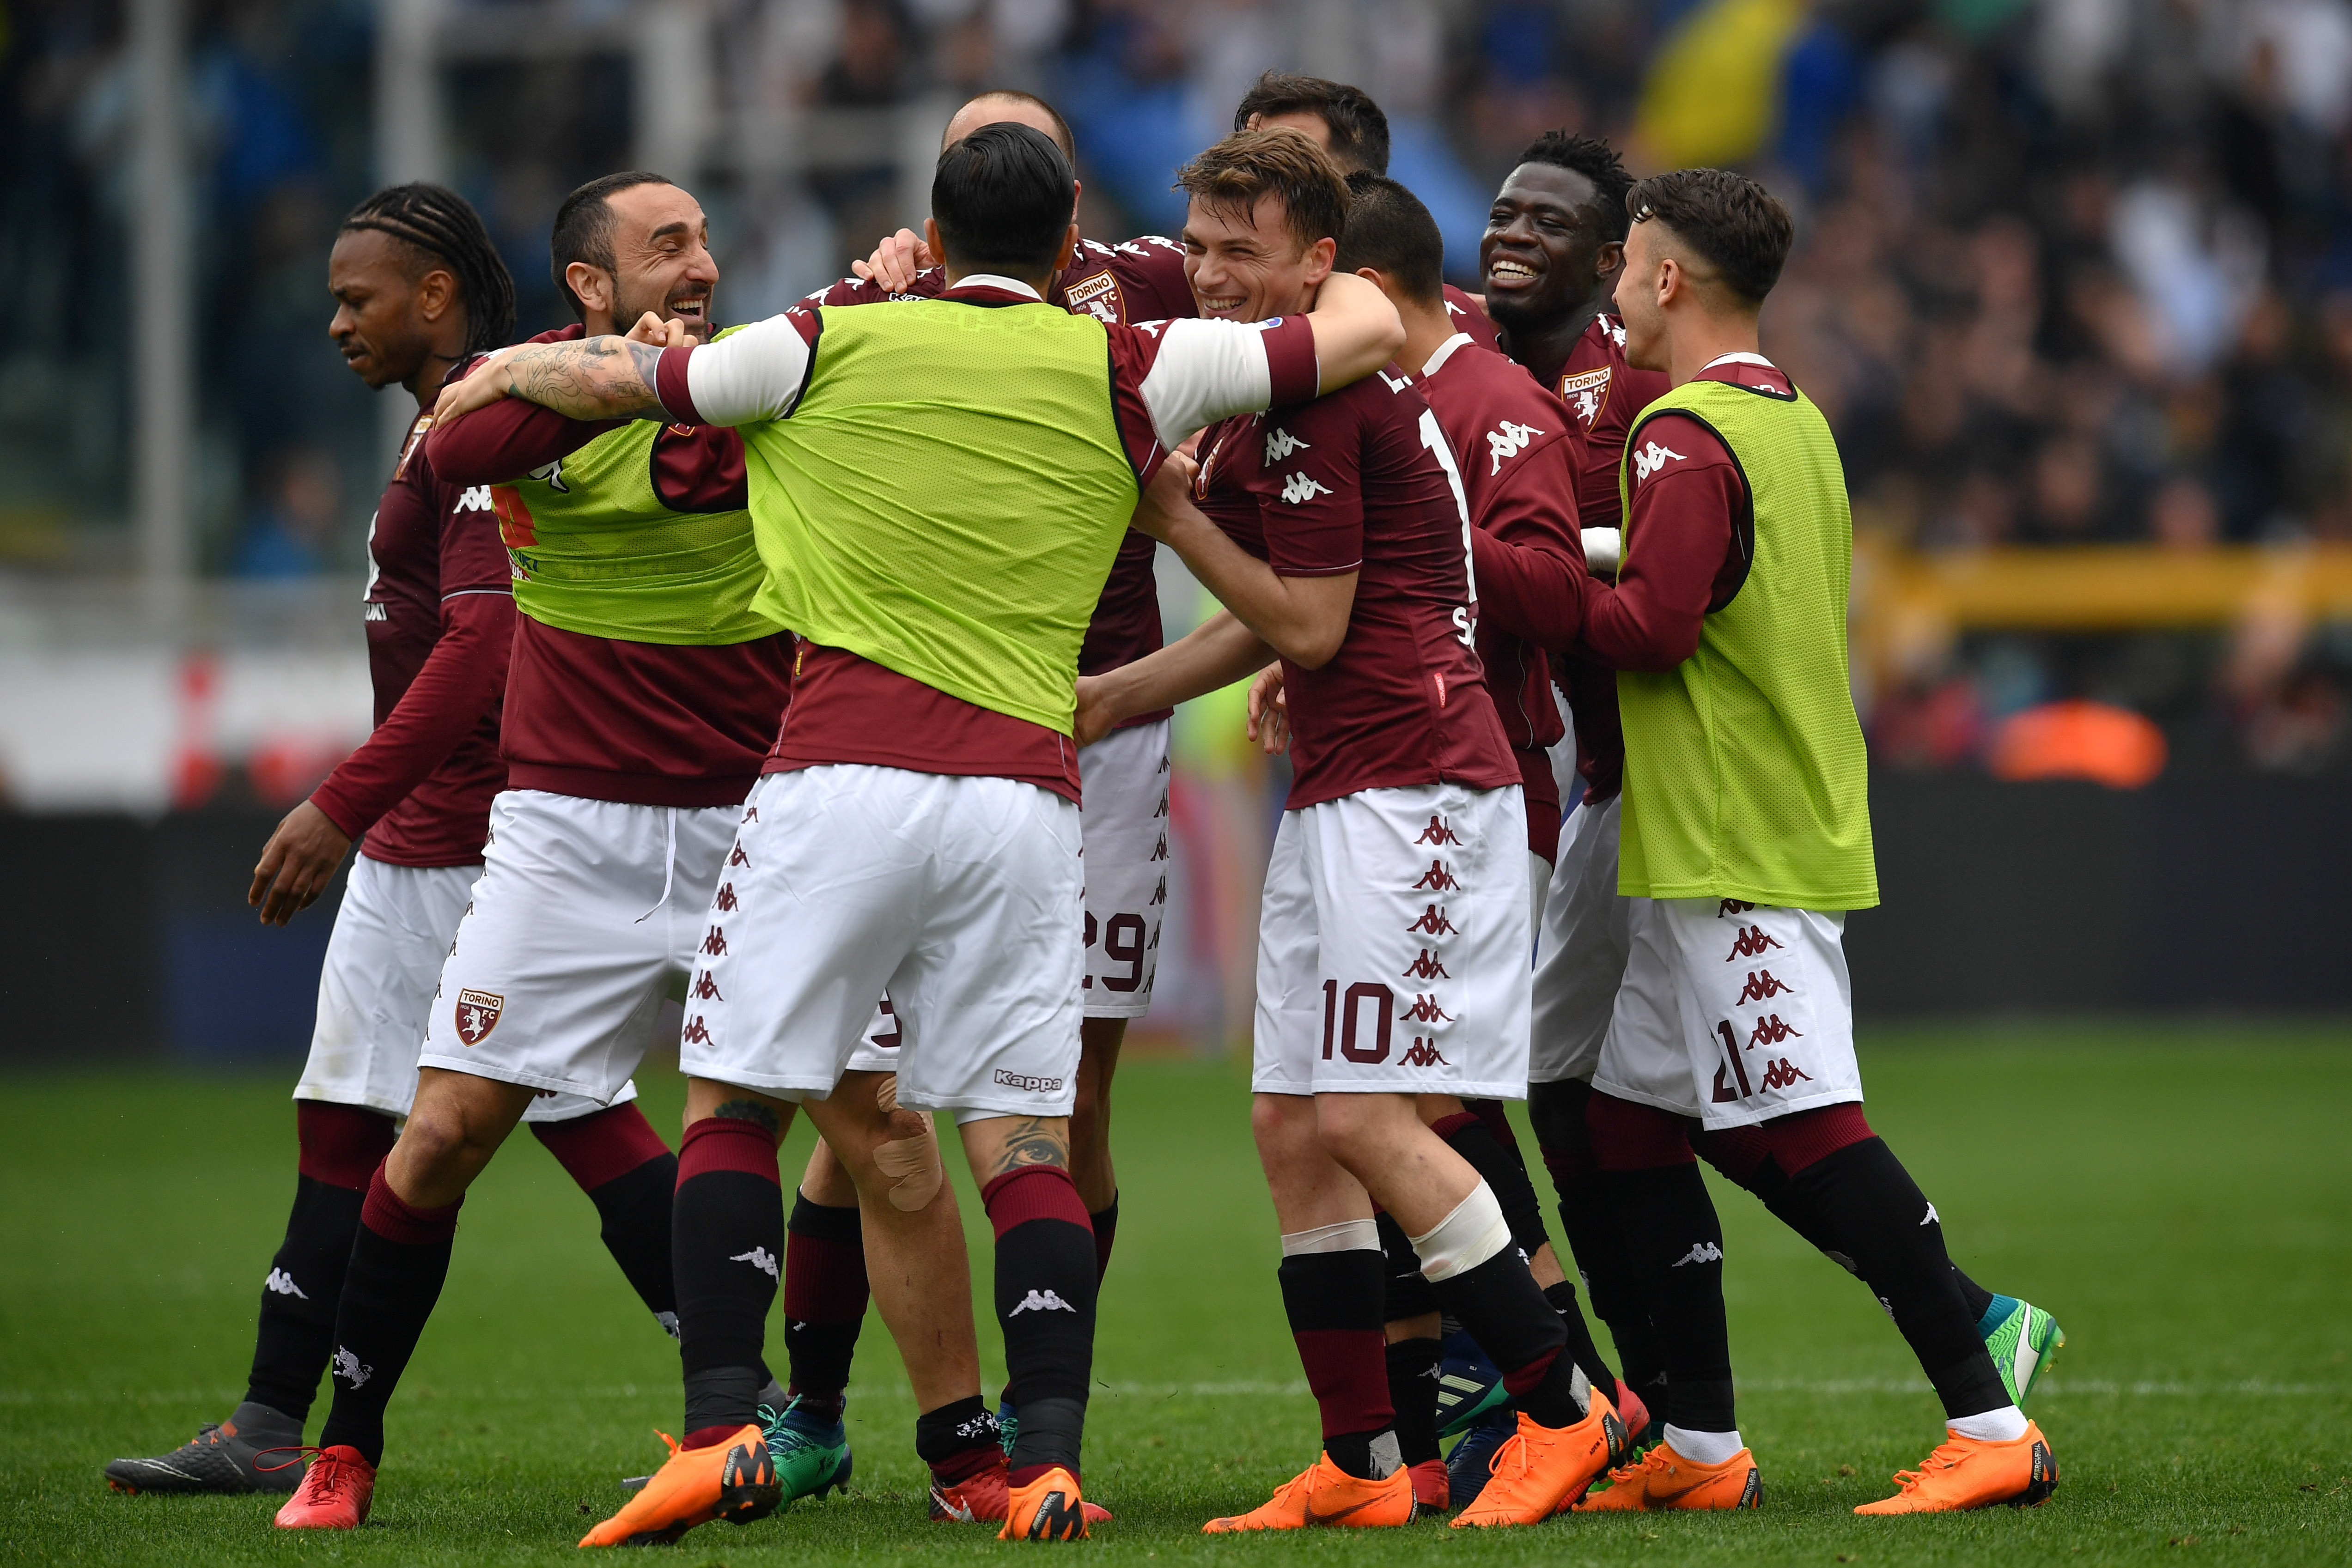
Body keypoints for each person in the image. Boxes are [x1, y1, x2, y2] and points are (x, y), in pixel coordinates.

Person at [432, 120, 1409, 1545]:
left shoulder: (823, 340)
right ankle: (1042, 1460)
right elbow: (1368, 322)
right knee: (1023, 1139)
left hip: (837, 778)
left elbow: (623, 380)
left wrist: (502, 368)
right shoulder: (1134, 359)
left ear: (933, 238)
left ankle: (718, 1429)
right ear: (1066, 241)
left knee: (734, 1102)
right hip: (1022, 798)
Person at [427, 169, 1015, 1528]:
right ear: (590, 284)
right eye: (667, 246)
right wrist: (580, 374)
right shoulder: (533, 393)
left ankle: (963, 1456)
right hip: (571, 825)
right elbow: (454, 451)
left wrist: (623, 376)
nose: (700, 265)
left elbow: (696, 456)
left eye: (703, 241)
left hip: (771, 815)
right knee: (452, 1128)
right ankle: (338, 1444)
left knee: (888, 1139)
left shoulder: (752, 373)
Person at [1477, 132, 2064, 1480]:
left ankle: (1989, 1424)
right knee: (1628, 1120)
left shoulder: (1683, 434)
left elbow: (1655, 627)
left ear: (1666, 279)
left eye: (1627, 263)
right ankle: (1697, 1440)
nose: (1615, 289)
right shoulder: (1791, 416)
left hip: (1734, 830)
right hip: (1724, 819)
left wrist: (1494, 568)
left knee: (1808, 1127)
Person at [1074, 128, 1623, 1533]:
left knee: (1373, 1116)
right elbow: (1283, 614)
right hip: (1344, 781)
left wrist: (1170, 516)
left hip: (1420, 789)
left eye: (1240, 252)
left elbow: (1306, 622)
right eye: (1197, 248)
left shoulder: (1322, 398)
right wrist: (1121, 694)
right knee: (1291, 1122)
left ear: (1322, 263)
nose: (1208, 275)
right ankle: (1365, 1460)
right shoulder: (1270, 394)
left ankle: (1567, 1411)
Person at [105, 185, 682, 1501]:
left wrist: (339, 802)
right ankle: (270, 1421)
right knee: (353, 1121)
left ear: (433, 295)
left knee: (579, 1116)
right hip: (416, 849)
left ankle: (748, 1397)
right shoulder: (444, 422)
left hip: (484, 842)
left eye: (355, 297)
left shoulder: (489, 418)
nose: (336, 322)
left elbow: (483, 649)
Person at [1282, 168, 1632, 1514]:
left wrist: (1421, 547)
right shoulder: (1367, 396)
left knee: (1430, 1113)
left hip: (1469, 783)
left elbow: (1547, 586)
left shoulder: (1493, 404)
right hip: (1372, 775)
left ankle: (1580, 1398)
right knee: (1366, 1114)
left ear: (1357, 285)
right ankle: (1415, 1441)